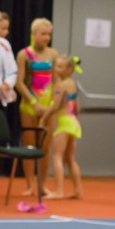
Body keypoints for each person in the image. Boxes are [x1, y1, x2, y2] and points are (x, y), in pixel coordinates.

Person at [14, 18, 59, 197]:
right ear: (33, 34)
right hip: (29, 105)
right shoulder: (24, 54)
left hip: (48, 107)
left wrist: (53, 104)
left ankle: (43, 184)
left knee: (45, 148)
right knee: (29, 146)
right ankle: (29, 184)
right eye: (43, 34)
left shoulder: (53, 54)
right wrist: (34, 102)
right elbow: (19, 83)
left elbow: (56, 81)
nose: (47, 38)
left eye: (49, 34)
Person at [40, 55, 82, 200]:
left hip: (64, 122)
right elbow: (77, 107)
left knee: (57, 156)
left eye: (60, 67)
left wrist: (44, 118)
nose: (56, 69)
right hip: (73, 121)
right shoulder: (72, 84)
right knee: (70, 158)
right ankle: (77, 190)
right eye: (56, 66)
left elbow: (55, 105)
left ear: (69, 69)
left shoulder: (61, 85)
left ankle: (59, 191)